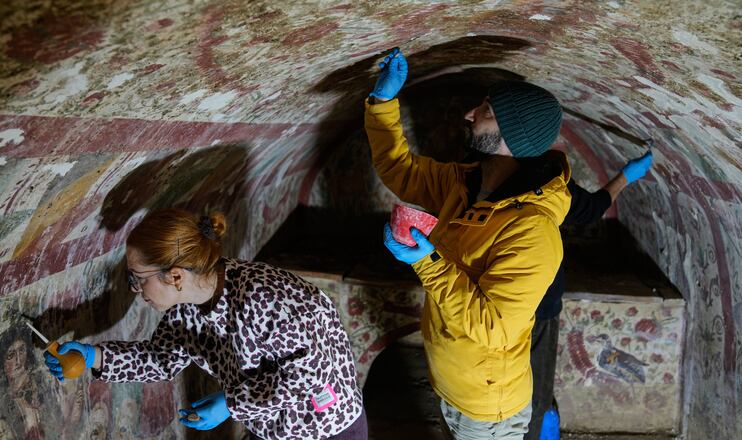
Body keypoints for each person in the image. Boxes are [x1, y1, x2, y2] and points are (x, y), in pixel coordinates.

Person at [366, 48, 570, 439]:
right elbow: (400, 169)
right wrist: (382, 102)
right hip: (451, 382)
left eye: (486, 111)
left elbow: (493, 327)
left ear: (514, 136)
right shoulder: (465, 182)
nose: (469, 115)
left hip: (486, 406)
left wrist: (427, 261)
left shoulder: (532, 229)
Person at [43, 208, 366, 440]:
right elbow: (161, 358)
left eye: (138, 279)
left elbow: (310, 375)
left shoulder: (270, 298)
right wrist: (92, 357)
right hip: (268, 428)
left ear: (176, 275)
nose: (134, 289)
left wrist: (231, 404)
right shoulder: (184, 308)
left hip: (324, 425)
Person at [526, 150, 653, 440]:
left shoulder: (479, 167)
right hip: (539, 303)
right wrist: (626, 177)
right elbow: (592, 208)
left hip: (498, 301)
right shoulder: (547, 177)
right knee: (535, 391)